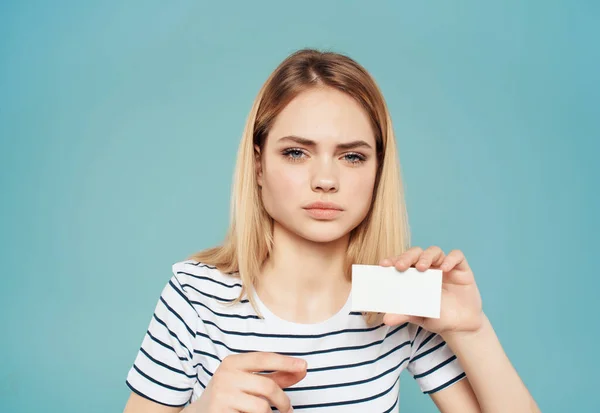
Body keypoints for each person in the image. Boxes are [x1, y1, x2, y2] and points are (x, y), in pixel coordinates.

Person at [123, 48, 539, 413]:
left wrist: (473, 329)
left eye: (352, 157)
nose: (326, 179)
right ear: (258, 166)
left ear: (378, 171)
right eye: (296, 152)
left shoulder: (398, 301)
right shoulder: (195, 295)